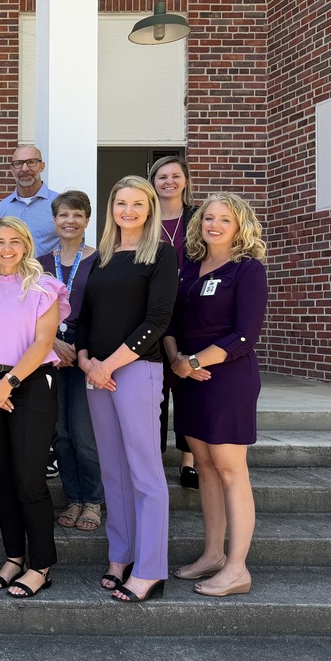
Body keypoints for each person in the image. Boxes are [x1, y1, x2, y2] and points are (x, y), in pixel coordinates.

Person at [76, 175, 178, 603]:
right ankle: (121, 554)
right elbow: (83, 317)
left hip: (135, 372)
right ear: (112, 208)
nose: (129, 210)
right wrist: (85, 360)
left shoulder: (162, 255)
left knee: (145, 474)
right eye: (122, 203)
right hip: (96, 373)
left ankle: (151, 568)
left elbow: (157, 320)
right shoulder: (98, 258)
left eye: (139, 203)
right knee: (113, 472)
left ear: (150, 209)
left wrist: (108, 365)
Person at [164, 193, 267, 597]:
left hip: (227, 377)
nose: (215, 224)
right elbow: (169, 320)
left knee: (229, 468)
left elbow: (245, 333)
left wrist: (192, 361)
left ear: (240, 225)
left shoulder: (248, 270)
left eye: (225, 219)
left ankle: (238, 568)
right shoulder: (188, 267)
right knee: (203, 467)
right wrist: (178, 361)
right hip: (189, 376)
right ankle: (212, 555)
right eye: (209, 217)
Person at [0, 217, 68, 598]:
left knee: (29, 480)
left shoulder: (44, 288)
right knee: (2, 478)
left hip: (30, 386)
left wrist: (8, 383)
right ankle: (13, 557)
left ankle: (41, 564)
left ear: (26, 245)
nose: (6, 249)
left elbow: (43, 343)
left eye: (14, 242)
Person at [37, 191, 105, 532]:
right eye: (63, 215)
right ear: (54, 220)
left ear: (87, 220)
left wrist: (76, 348)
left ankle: (93, 500)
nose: (70, 221)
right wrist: (52, 342)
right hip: (49, 355)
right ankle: (74, 497)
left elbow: (105, 314)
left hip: (86, 357)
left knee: (84, 434)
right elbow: (30, 312)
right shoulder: (40, 264)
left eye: (77, 215)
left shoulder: (100, 261)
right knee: (60, 434)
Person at [149, 156, 199, 489]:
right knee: (157, 386)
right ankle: (153, 456)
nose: (169, 181)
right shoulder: (146, 219)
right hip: (154, 308)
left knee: (189, 385)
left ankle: (188, 461)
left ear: (184, 181)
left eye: (175, 176)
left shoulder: (196, 217)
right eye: (161, 176)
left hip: (192, 308)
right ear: (152, 182)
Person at [0, 144, 60, 256]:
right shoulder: (0, 211)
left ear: (42, 166)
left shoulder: (60, 205)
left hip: (51, 273)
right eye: (19, 163)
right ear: (12, 170)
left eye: (31, 162)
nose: (25, 169)